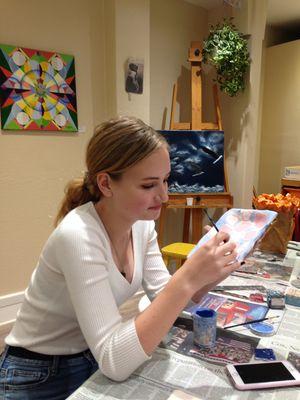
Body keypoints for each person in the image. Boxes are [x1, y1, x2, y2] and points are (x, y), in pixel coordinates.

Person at [0, 116, 240, 399]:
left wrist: (208, 275)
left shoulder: (141, 225)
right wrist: (187, 277)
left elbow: (166, 297)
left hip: (89, 354)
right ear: (106, 184)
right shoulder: (78, 236)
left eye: (165, 180)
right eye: (148, 185)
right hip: (37, 372)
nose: (163, 196)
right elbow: (114, 362)